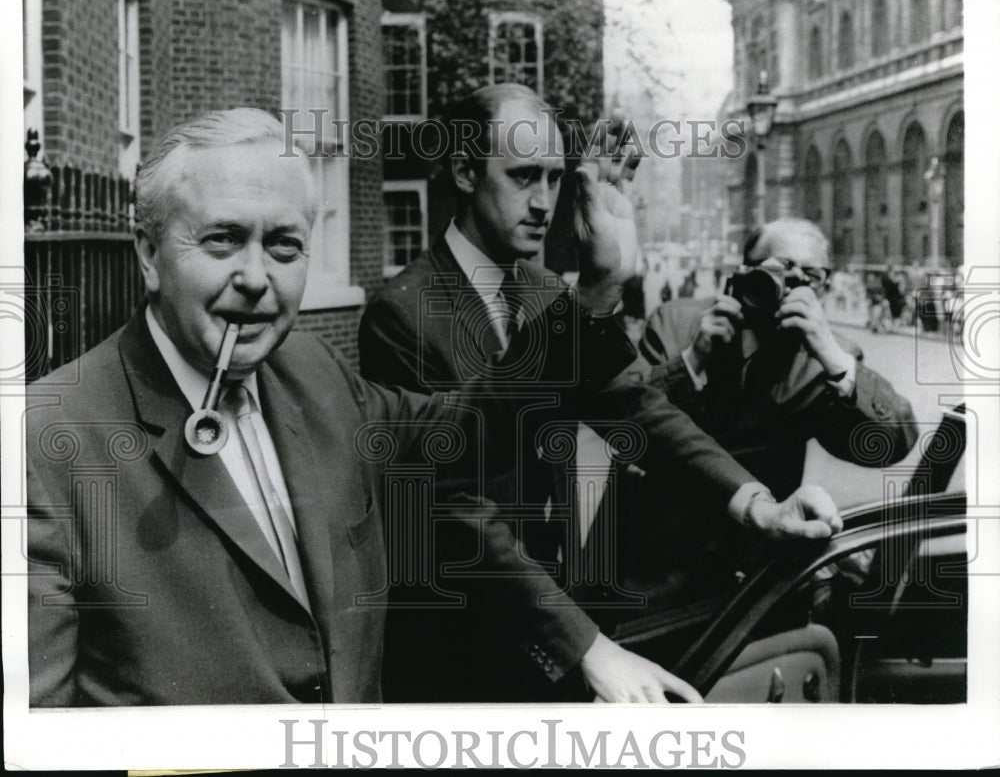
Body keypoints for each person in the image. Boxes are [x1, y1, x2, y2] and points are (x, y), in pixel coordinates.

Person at [24, 107, 663, 707]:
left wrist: (598, 288)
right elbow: (35, 742)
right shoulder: (44, 442)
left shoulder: (310, 372)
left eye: (284, 246)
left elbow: (467, 433)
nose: (255, 278)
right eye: (222, 240)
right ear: (147, 254)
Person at [359, 86, 843, 702]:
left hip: (567, 629)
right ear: (464, 170)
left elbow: (637, 406)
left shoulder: (541, 290)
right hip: (472, 651)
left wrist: (755, 503)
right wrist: (587, 647)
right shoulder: (400, 314)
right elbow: (455, 513)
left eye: (555, 179)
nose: (543, 202)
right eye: (523, 177)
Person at [633, 217, 917, 592]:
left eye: (808, 277)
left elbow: (889, 445)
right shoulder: (676, 322)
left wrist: (832, 356)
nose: (786, 288)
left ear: (825, 287)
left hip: (758, 571)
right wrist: (693, 360)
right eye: (776, 271)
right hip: (658, 560)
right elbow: (627, 433)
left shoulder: (825, 357)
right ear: (744, 272)